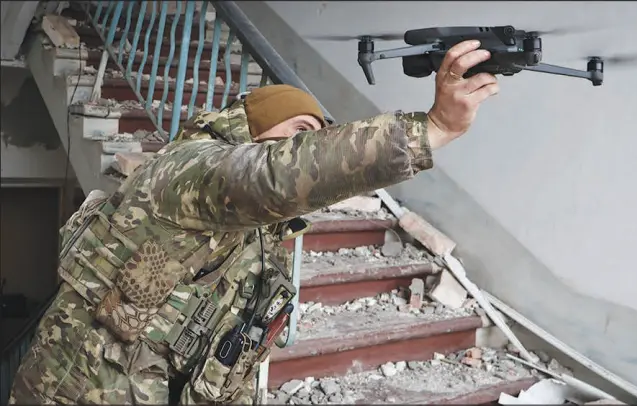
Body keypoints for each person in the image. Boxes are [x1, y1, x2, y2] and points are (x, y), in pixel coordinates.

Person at [9, 40, 499, 405]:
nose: (302, 148)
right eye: (300, 133)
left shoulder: (259, 232)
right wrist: (432, 129)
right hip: (76, 389)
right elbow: (275, 174)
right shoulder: (191, 167)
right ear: (253, 128)